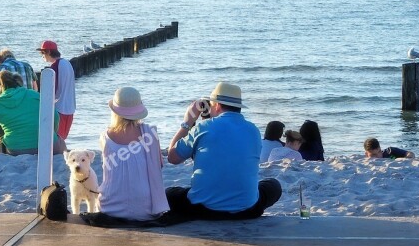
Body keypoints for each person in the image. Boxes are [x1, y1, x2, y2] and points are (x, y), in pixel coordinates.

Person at [166, 82, 282, 220]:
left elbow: (172, 157)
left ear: (218, 105)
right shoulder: (253, 130)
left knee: (169, 193)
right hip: (247, 210)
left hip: (203, 209)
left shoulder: (202, 128)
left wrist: (187, 123)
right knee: (274, 185)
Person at [97, 87, 169, 221]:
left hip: (110, 208)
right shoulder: (149, 134)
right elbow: (159, 165)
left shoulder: (104, 137)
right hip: (144, 210)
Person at [37, 40, 76, 140]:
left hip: (59, 109)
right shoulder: (67, 63)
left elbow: (52, 90)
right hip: (70, 108)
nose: (42, 56)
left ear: (49, 52)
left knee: (56, 140)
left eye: (43, 53)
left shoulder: (55, 67)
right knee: (62, 138)